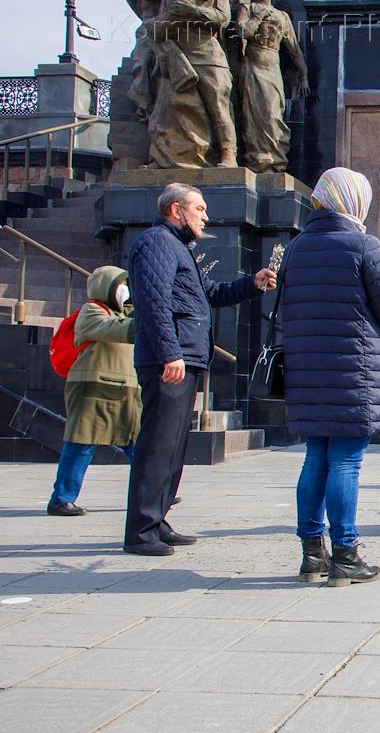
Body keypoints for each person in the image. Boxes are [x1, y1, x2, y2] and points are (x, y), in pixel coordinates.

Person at [123, 183, 277, 556]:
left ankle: (157, 521)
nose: (206, 216)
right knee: (158, 445)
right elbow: (154, 303)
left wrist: (253, 285)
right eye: (200, 209)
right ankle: (141, 531)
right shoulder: (156, 243)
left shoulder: (180, 248)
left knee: (173, 447)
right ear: (176, 210)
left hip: (184, 359)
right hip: (169, 361)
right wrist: (169, 353)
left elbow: (212, 293)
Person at [279, 167, 380, 586]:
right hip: (353, 373)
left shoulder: (296, 247)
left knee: (315, 458)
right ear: (353, 201)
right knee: (346, 462)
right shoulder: (363, 245)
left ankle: (311, 556)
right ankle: (346, 555)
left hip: (306, 372)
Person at [47, 266, 139, 517]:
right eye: (120, 285)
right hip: (92, 388)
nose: (125, 290)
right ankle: (61, 499)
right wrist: (149, 325)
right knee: (81, 442)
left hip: (127, 389)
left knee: (138, 444)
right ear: (106, 287)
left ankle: (155, 492)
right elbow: (113, 329)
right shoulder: (92, 311)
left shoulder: (126, 312)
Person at [146, 0, 238, 168]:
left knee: (217, 105)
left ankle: (228, 154)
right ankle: (166, 157)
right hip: (179, 54)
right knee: (169, 109)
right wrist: (161, 24)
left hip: (209, 53)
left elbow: (223, 18)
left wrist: (193, 11)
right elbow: (160, 23)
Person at [240, 0, 309, 173]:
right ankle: (256, 160)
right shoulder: (248, 8)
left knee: (272, 113)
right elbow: (243, 31)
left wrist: (303, 74)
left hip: (272, 68)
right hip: (253, 67)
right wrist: (259, 16)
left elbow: (294, 48)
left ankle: (276, 160)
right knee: (254, 115)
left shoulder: (282, 16)